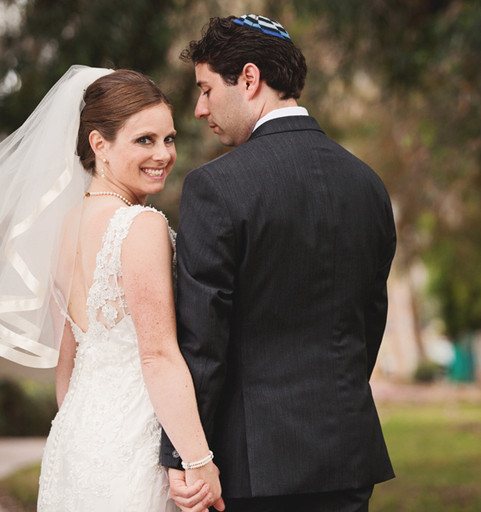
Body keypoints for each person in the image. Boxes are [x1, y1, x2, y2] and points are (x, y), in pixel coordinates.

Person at [0, 66, 221, 511]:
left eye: (168, 138)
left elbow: (67, 361)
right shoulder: (140, 226)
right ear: (99, 144)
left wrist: (81, 433)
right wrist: (198, 460)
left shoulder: (63, 226)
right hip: (134, 443)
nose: (164, 154)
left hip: (75, 441)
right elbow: (158, 355)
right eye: (144, 140)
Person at [164, 15, 396, 512]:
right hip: (349, 456)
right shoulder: (368, 184)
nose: (200, 108)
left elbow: (203, 342)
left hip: (253, 465)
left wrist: (186, 455)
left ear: (249, 79)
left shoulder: (215, 187)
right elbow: (368, 323)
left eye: (206, 89)